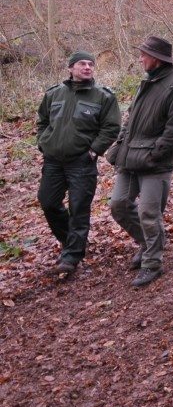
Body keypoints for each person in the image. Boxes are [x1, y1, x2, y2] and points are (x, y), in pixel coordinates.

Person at [107, 36, 173, 288]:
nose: (140, 58)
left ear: (156, 58)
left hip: (156, 163)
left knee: (148, 212)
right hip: (129, 158)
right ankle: (146, 243)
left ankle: (152, 262)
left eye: (144, 54)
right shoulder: (146, 81)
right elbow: (130, 120)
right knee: (118, 205)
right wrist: (120, 145)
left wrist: (154, 154)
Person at [36, 51, 121, 275]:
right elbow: (42, 121)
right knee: (48, 202)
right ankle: (72, 243)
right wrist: (43, 143)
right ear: (70, 68)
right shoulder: (54, 94)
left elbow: (111, 128)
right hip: (53, 161)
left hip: (81, 162)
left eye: (90, 64)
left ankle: (72, 256)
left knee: (79, 208)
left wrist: (94, 152)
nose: (87, 67)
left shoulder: (103, 97)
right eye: (82, 64)